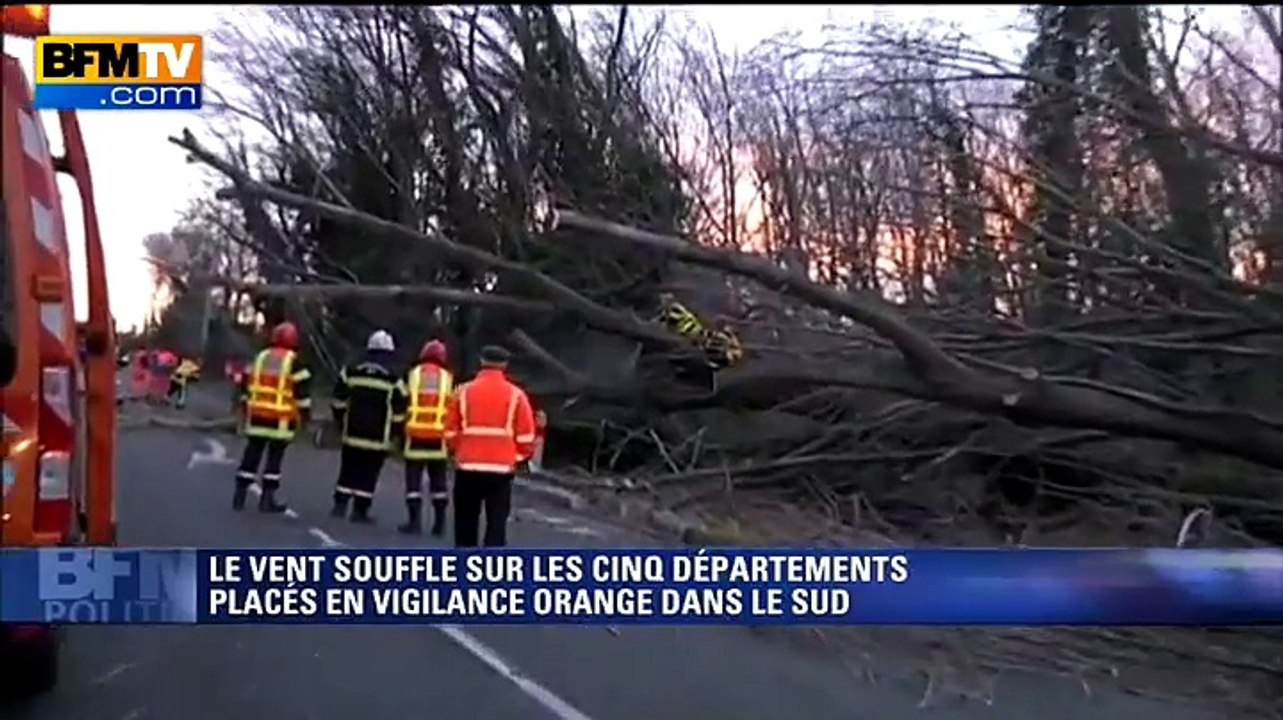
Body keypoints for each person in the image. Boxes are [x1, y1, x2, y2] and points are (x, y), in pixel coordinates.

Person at [444, 344, 537, 548]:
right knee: (496, 523)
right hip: (500, 468)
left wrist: (457, 450)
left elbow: (450, 431)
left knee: (465, 522)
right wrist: (517, 457)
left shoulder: (462, 392)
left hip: (468, 465)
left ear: (481, 361)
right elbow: (527, 436)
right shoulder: (517, 395)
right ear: (505, 365)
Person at [233, 322, 312, 513]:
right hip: (281, 419)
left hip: (257, 415)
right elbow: (302, 393)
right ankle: (267, 499)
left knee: (252, 453)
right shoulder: (294, 361)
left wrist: (245, 405)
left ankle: (239, 496)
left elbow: (244, 382)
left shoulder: (260, 357)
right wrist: (305, 416)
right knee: (274, 459)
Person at [330, 329, 407, 524]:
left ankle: (340, 505)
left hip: (352, 432)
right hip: (378, 437)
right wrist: (397, 433)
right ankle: (360, 511)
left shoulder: (351, 370)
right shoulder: (394, 377)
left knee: (347, 468)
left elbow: (338, 400)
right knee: (369, 473)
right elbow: (400, 410)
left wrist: (340, 422)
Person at [397, 339, 455, 536]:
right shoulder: (448, 379)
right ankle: (439, 524)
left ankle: (414, 522)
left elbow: (400, 400)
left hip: (415, 435)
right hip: (439, 437)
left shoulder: (412, 375)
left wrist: (398, 428)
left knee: (413, 481)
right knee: (439, 482)